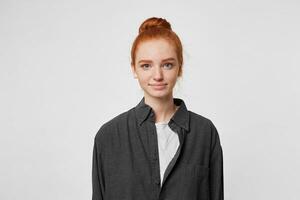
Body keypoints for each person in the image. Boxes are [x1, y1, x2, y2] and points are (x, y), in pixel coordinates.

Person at [92, 17, 224, 200]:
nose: (158, 75)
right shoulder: (109, 136)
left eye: (167, 64)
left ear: (180, 67)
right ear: (134, 69)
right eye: (146, 65)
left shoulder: (204, 132)